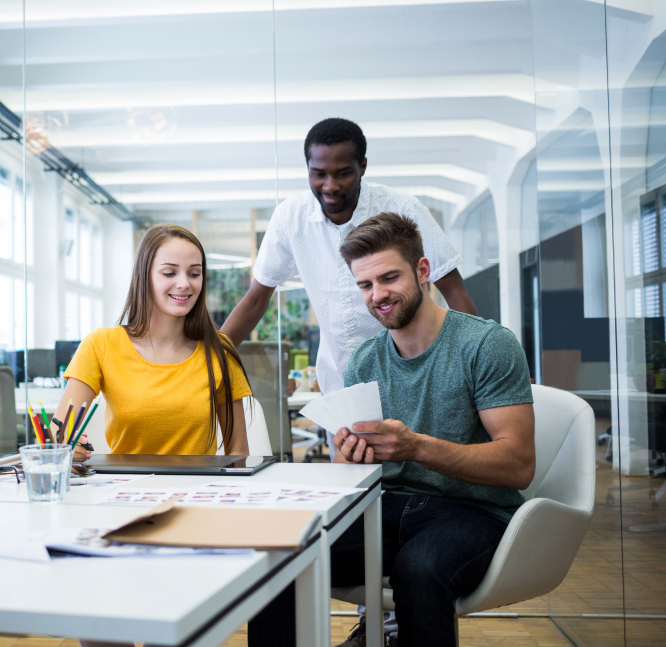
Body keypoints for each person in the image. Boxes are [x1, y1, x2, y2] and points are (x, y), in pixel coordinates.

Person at [251, 212, 535, 647]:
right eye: (365, 285)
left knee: (419, 569)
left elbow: (518, 466)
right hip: (385, 506)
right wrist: (349, 454)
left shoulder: (486, 344)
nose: (377, 295)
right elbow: (352, 473)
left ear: (423, 272)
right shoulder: (365, 359)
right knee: (280, 555)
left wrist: (416, 447)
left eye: (389, 278)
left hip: (474, 511)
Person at [221, 117, 477, 396]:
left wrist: (476, 362)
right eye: (318, 173)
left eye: (343, 173)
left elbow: (454, 290)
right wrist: (209, 361)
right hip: (340, 383)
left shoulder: (401, 207)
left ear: (363, 167)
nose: (330, 186)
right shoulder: (290, 218)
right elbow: (257, 298)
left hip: (413, 375)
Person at [53, 223, 253, 460]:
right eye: (170, 273)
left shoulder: (219, 351)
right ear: (144, 276)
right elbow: (59, 436)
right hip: (126, 490)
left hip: (195, 490)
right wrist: (67, 452)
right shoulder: (101, 345)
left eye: (194, 273)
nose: (184, 284)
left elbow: (239, 452)